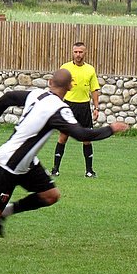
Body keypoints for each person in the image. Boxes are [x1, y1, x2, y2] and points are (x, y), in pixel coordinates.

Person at [0, 68, 128, 251]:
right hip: (8, 164)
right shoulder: (60, 109)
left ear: (50, 83)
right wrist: (110, 129)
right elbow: (80, 134)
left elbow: (8, 98)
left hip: (27, 162)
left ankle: (6, 212)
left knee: (51, 195)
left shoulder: (37, 94)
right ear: (70, 87)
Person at [50, 42, 102, 178]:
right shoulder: (65, 68)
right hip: (68, 106)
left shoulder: (90, 69)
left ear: (85, 53)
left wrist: (96, 107)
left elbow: (94, 89)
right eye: (76, 52)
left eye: (81, 52)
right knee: (63, 137)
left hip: (84, 106)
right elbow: (57, 87)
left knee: (87, 139)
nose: (78, 54)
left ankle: (89, 171)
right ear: (72, 52)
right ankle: (55, 169)